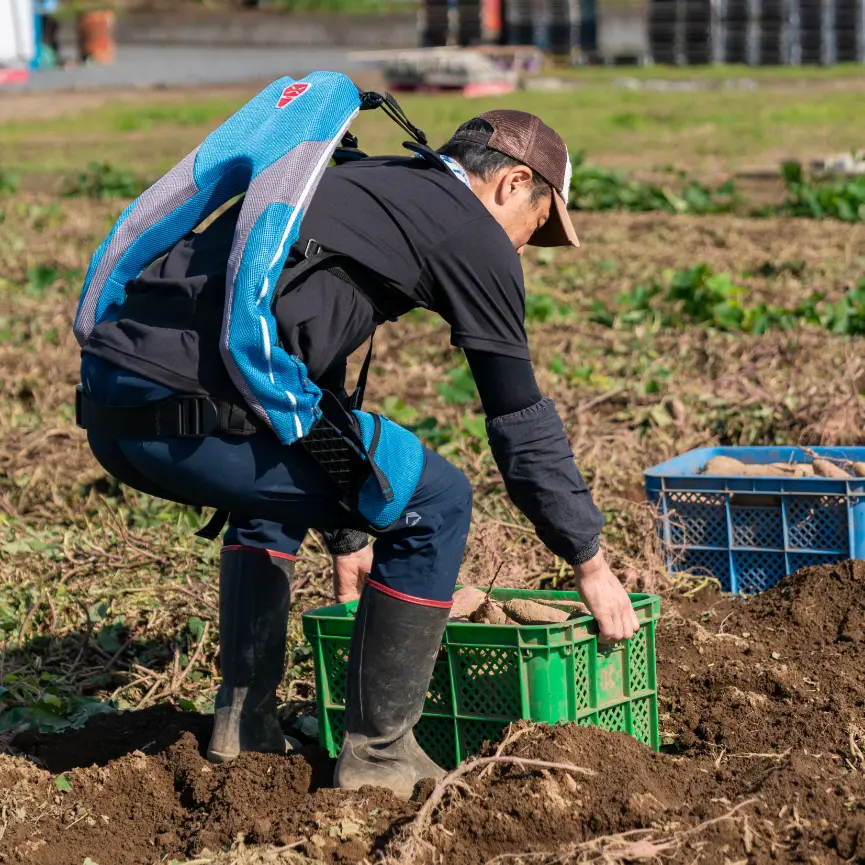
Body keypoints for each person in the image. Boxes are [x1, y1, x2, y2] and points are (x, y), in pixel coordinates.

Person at [75, 106, 639, 799]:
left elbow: (294, 358)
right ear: (512, 183)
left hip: (115, 415)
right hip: (201, 425)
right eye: (538, 223)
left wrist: (346, 527)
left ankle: (242, 721)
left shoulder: (361, 181)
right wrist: (588, 558)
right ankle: (379, 754)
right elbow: (517, 417)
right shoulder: (472, 233)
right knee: (436, 500)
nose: (524, 248)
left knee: (273, 495)